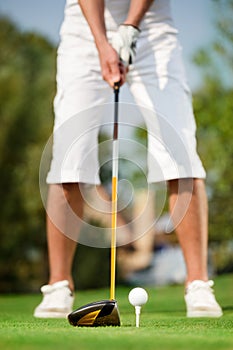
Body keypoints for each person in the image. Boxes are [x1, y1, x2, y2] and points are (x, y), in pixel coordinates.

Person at [34, 0, 223, 318]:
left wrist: (131, 26)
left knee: (178, 147)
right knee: (70, 152)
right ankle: (58, 285)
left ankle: (198, 283)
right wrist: (102, 42)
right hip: (85, 24)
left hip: (152, 23)